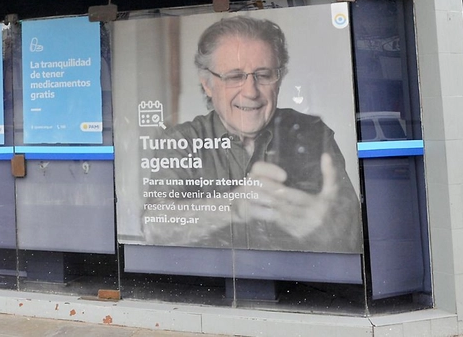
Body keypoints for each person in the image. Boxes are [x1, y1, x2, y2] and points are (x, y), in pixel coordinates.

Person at [142, 15, 362, 253]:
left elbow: (355, 234)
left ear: (278, 80)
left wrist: (326, 226)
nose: (251, 92)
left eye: (264, 75)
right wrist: (233, 206)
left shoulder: (312, 133)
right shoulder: (181, 141)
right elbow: (154, 227)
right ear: (207, 84)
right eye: (234, 76)